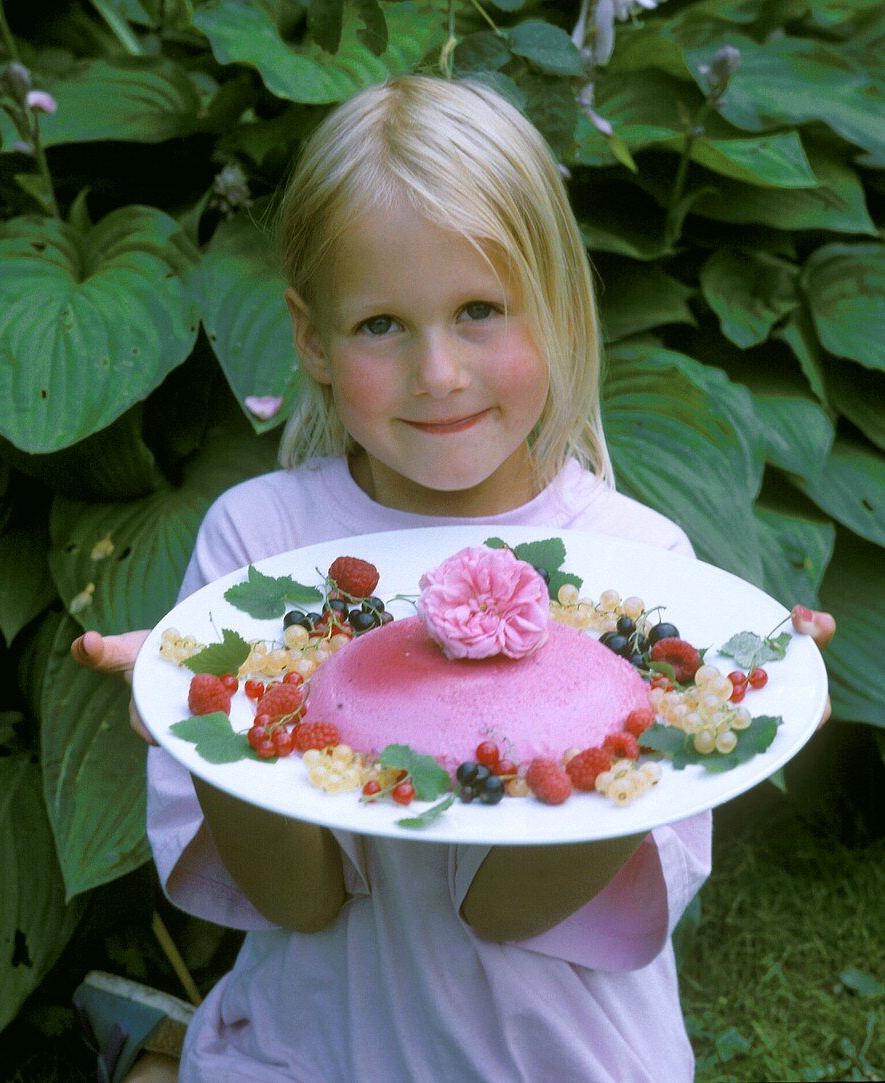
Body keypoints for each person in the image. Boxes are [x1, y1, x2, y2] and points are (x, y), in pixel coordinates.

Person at [70, 74, 837, 1083]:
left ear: (558, 313)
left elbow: (504, 911)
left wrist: (689, 713)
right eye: (381, 324)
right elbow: (296, 900)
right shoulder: (259, 544)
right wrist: (213, 717)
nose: (437, 372)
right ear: (310, 338)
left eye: (478, 309)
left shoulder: (637, 570)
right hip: (317, 1047)